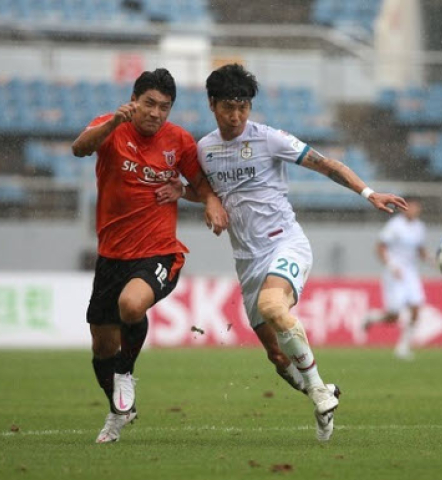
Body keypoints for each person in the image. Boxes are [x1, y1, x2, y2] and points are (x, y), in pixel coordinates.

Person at [156, 64, 407, 441]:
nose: (236, 116)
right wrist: (189, 194)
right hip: (247, 261)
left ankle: (319, 391)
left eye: (243, 107)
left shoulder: (270, 139)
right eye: (228, 107)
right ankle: (324, 394)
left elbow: (326, 165)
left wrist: (369, 193)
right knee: (277, 358)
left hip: (284, 243)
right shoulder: (205, 149)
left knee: (274, 307)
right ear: (212, 104)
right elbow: (207, 191)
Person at [71, 69, 228, 443]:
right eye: (150, 104)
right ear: (134, 101)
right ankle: (119, 410)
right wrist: (113, 123)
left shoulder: (179, 141)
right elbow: (79, 148)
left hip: (159, 252)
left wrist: (206, 200)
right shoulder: (111, 127)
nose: (156, 113)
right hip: (111, 255)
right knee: (102, 346)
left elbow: (202, 184)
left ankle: (126, 374)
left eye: (165, 107)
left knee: (131, 305)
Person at [362, 197, 433, 360]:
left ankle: (403, 347)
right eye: (412, 207)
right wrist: (392, 265)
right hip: (395, 273)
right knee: (394, 315)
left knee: (416, 308)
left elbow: (420, 250)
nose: (415, 210)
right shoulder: (395, 225)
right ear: (404, 208)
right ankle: (371, 317)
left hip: (411, 272)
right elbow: (380, 247)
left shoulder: (419, 227)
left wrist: (433, 261)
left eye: (417, 207)